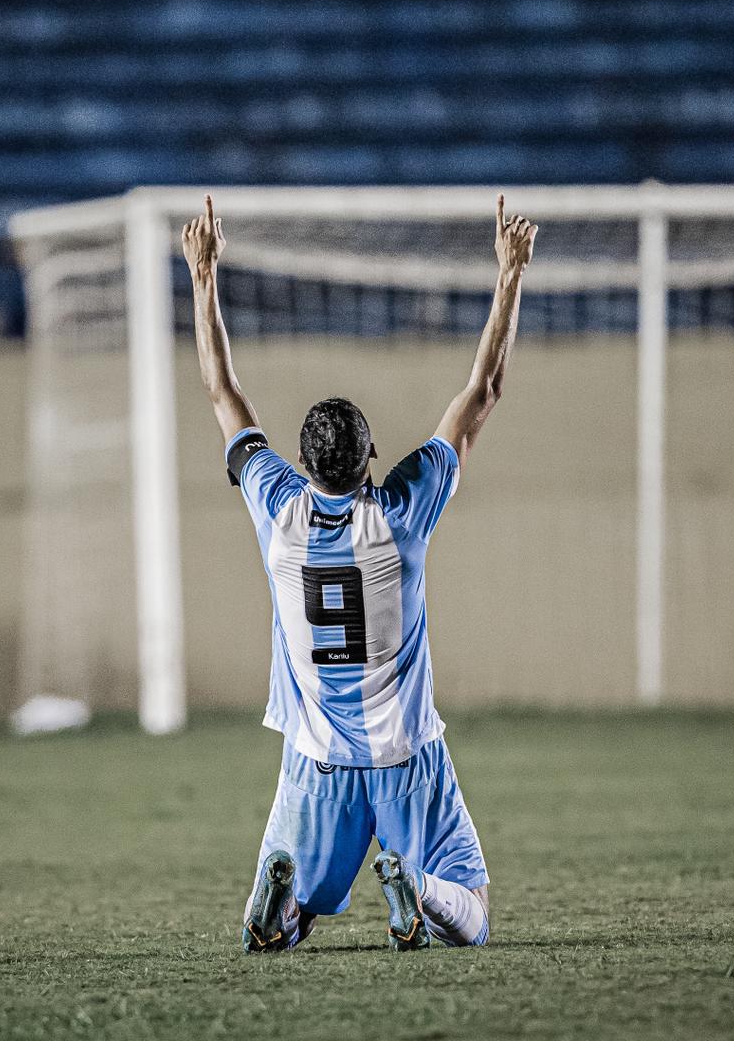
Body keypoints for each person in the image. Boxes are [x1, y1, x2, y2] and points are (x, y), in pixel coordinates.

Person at [182, 193, 538, 951]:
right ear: (372, 460)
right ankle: (418, 889)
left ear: (302, 464)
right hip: (406, 754)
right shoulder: (401, 515)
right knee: (470, 912)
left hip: (317, 762)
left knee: (277, 937)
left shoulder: (277, 511)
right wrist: (508, 278)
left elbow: (223, 394)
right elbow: (482, 395)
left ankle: (281, 900)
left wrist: (203, 276)